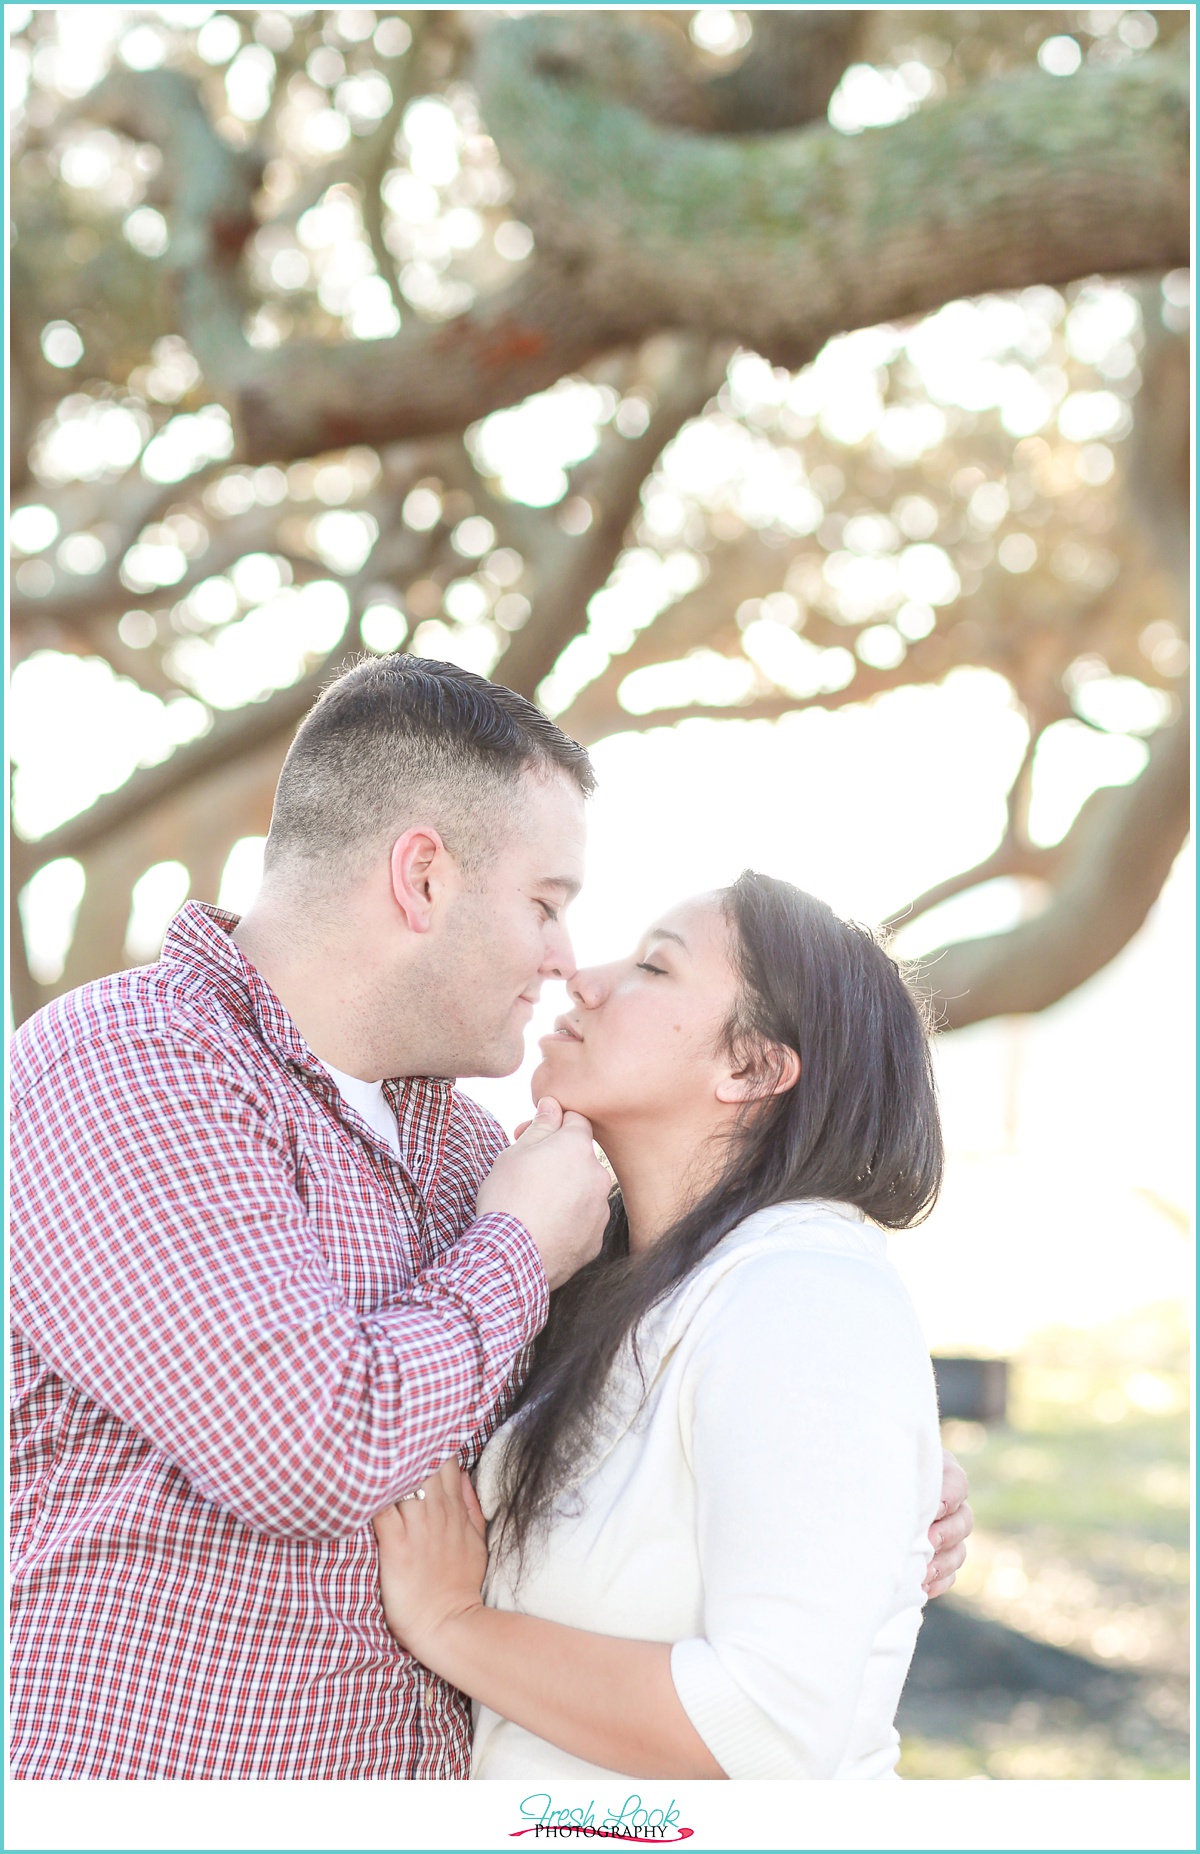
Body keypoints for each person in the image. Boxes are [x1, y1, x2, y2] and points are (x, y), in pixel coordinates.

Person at [10, 657, 970, 1781]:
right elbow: (309, 1448)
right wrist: (515, 1247)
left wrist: (867, 1487)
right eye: (547, 905)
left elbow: (659, 1411)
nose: (568, 959)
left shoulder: (474, 1152)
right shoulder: (133, 1069)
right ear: (423, 879)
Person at [372, 873, 955, 1779]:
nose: (584, 977)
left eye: (654, 965)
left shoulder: (804, 1295)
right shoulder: (621, 1287)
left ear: (752, 1067)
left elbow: (768, 1727)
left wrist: (454, 1624)